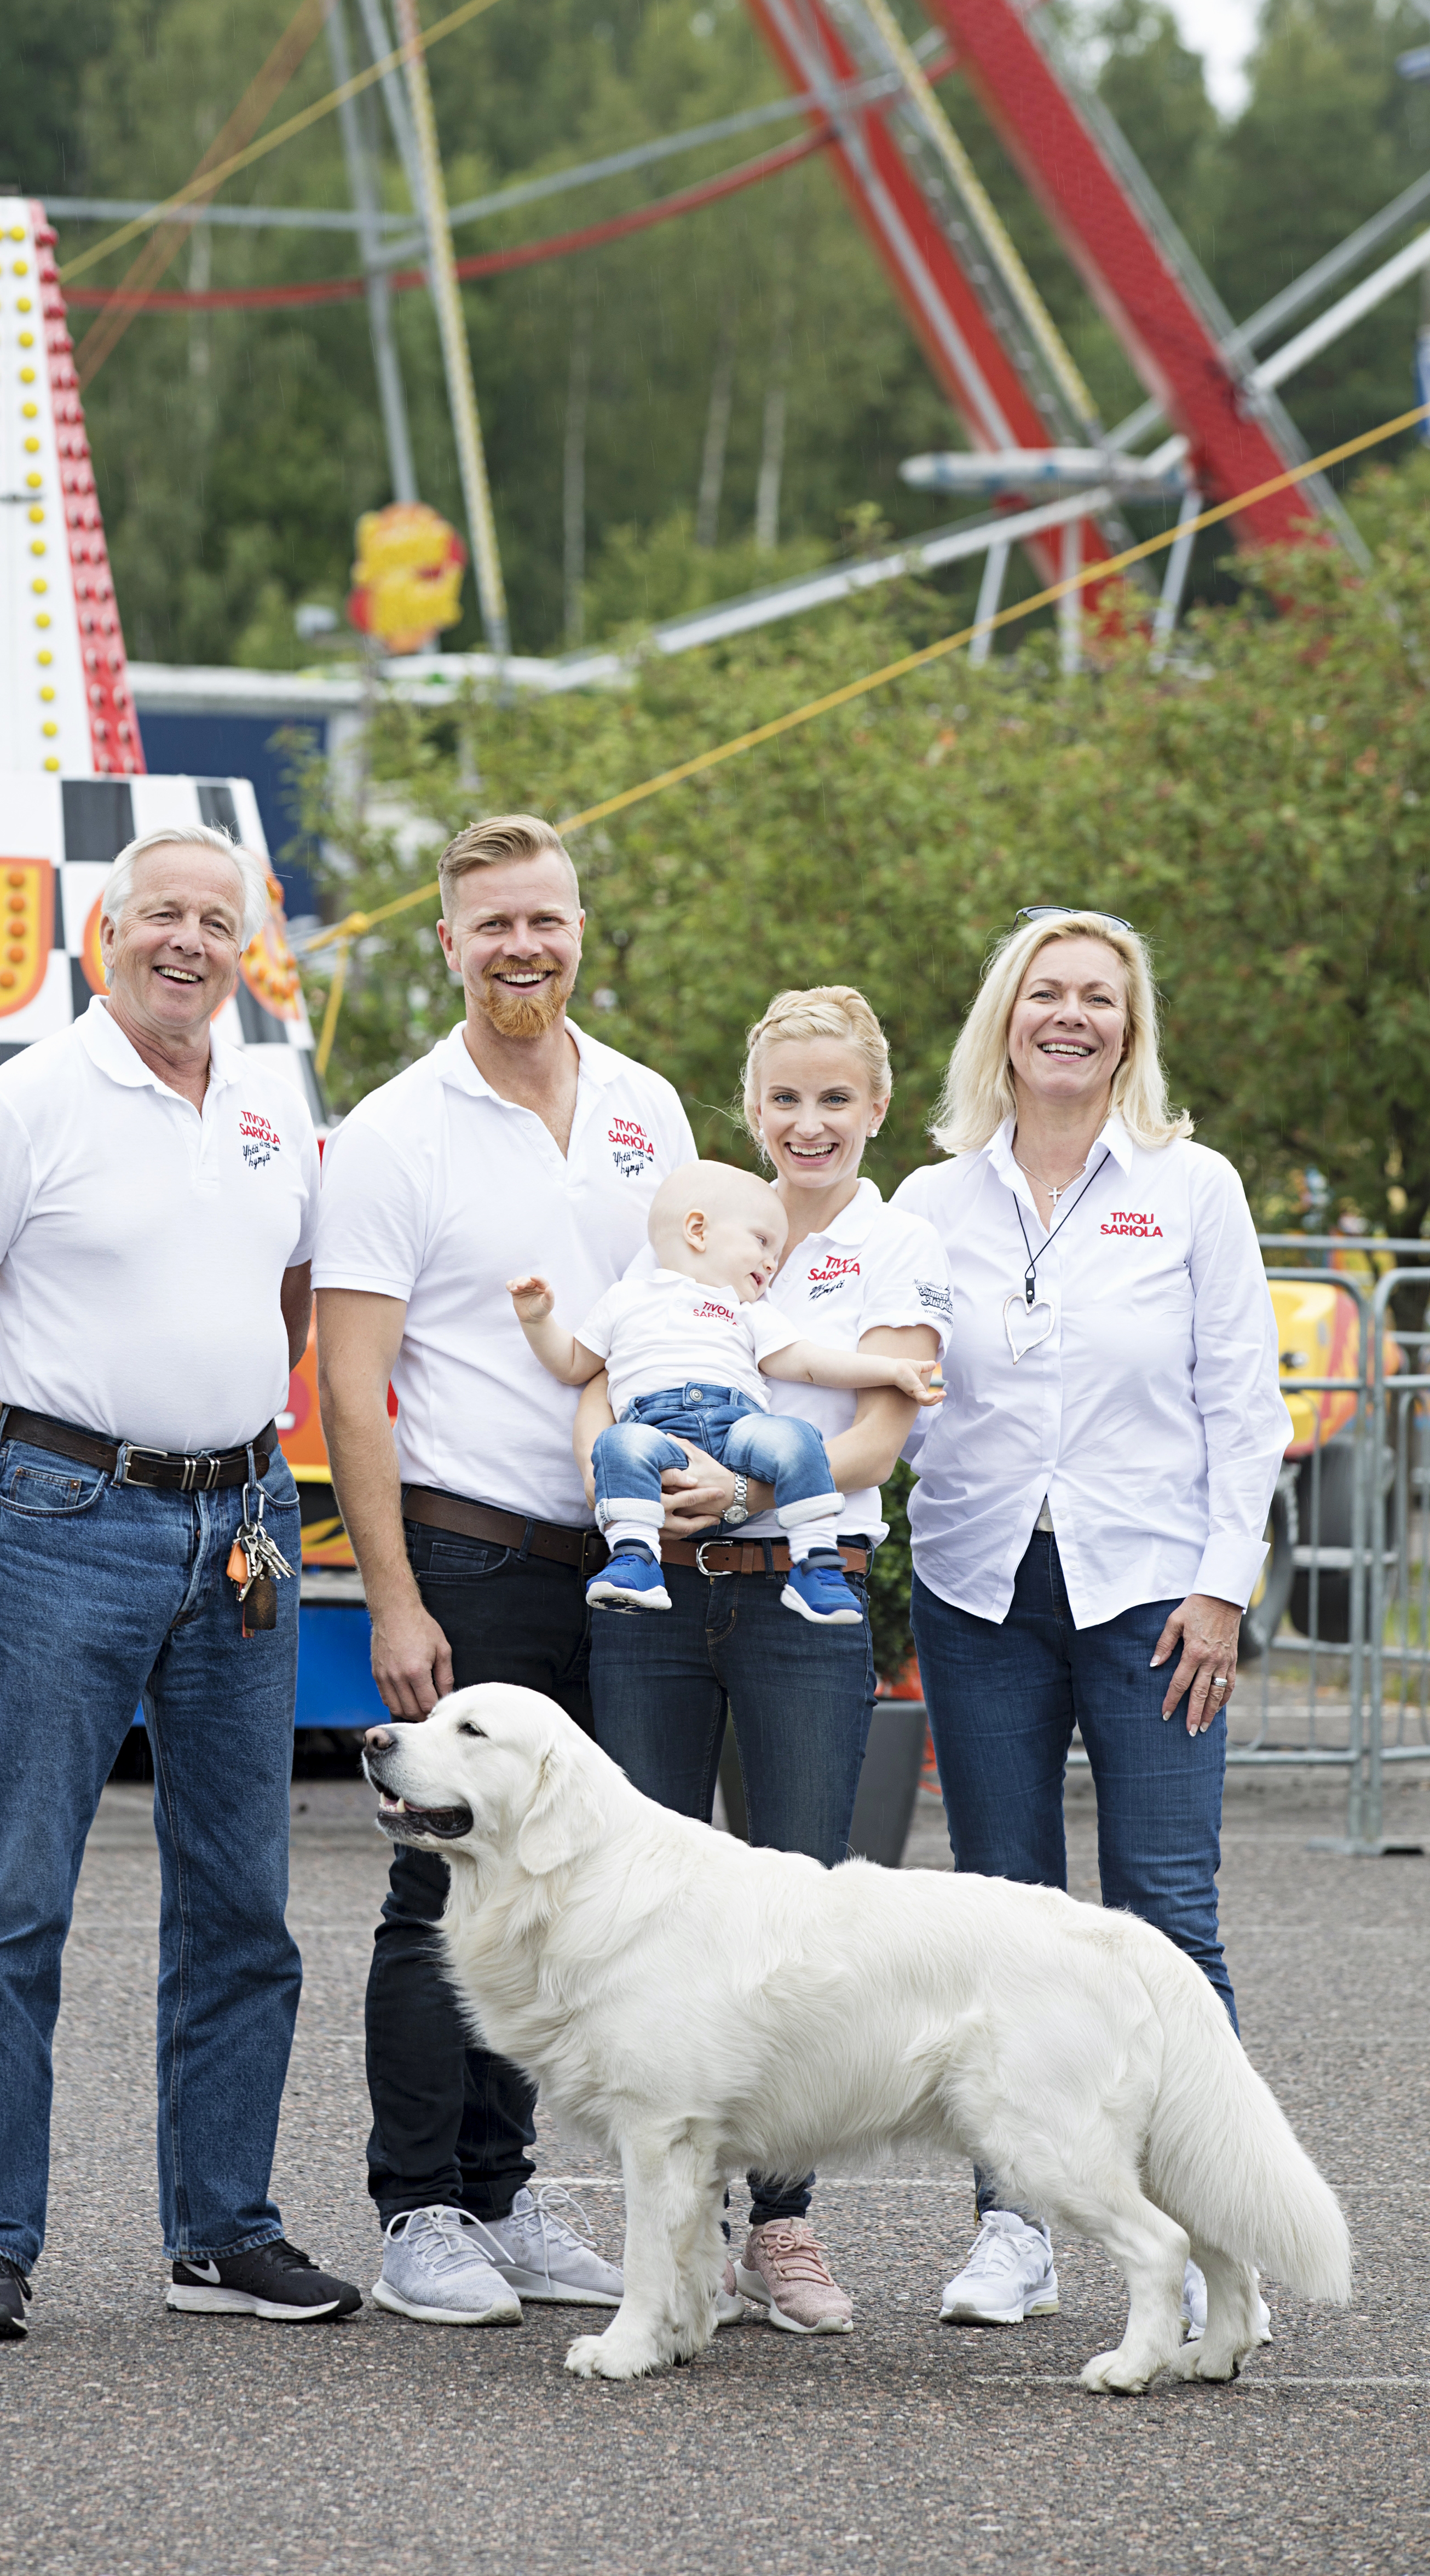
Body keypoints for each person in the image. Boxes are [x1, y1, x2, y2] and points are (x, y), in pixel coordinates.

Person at [0, 827, 361, 2342]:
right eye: (164, 913)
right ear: (106, 928)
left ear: (246, 947)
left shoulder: (275, 1104)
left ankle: (220, 2232)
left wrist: (215, 1423)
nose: (189, 940)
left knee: (244, 1904)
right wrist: (32, 1454)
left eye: (219, 918)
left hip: (244, 1528)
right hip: (68, 1519)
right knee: (18, 1896)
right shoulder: (26, 1105)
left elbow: (285, 1299)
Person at [315, 812, 695, 2327]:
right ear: (448, 942)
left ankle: (504, 2185)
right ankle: (419, 2205)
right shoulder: (396, 1128)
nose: (520, 947)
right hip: (470, 1551)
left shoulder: (648, 1108)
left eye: (544, 919)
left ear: (581, 927)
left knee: (571, 1898)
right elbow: (352, 1387)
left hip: (629, 1559)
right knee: (436, 1892)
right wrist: (396, 1596)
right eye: (491, 925)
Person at [893, 908, 1288, 2336]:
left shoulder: (1192, 1187)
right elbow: (874, 1383)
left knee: (1166, 1915)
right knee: (1007, 1918)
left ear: (1131, 1025)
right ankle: (1019, 2223)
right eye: (1047, 992)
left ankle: (1209, 2232)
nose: (1071, 1015)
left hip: (1152, 1596)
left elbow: (1248, 1408)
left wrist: (1221, 1587)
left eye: (1099, 998)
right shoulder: (927, 1202)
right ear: (1004, 1015)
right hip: (979, 1587)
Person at [578, 984, 953, 2334]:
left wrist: (742, 1500)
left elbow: (877, 1429)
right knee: (644, 1912)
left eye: (834, 1100)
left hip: (806, 1588)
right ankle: (665, 2234)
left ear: (874, 1110)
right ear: (752, 1109)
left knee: (799, 1907)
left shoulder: (895, 1241)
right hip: (660, 1594)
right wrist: (616, 1497)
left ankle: (781, 2230)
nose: (809, 1123)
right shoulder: (686, 1219)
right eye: (785, 1100)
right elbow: (597, 1387)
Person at [510, 1159, 941, 1622]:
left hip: (737, 1426)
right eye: (762, 1242)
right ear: (698, 1230)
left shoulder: (748, 1310)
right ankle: (634, 1559)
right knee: (617, 1444)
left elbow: (810, 1363)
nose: (772, 1261)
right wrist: (538, 1321)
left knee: (797, 1438)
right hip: (656, 1432)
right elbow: (574, 1364)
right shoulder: (625, 1298)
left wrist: (893, 1369)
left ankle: (817, 1565)